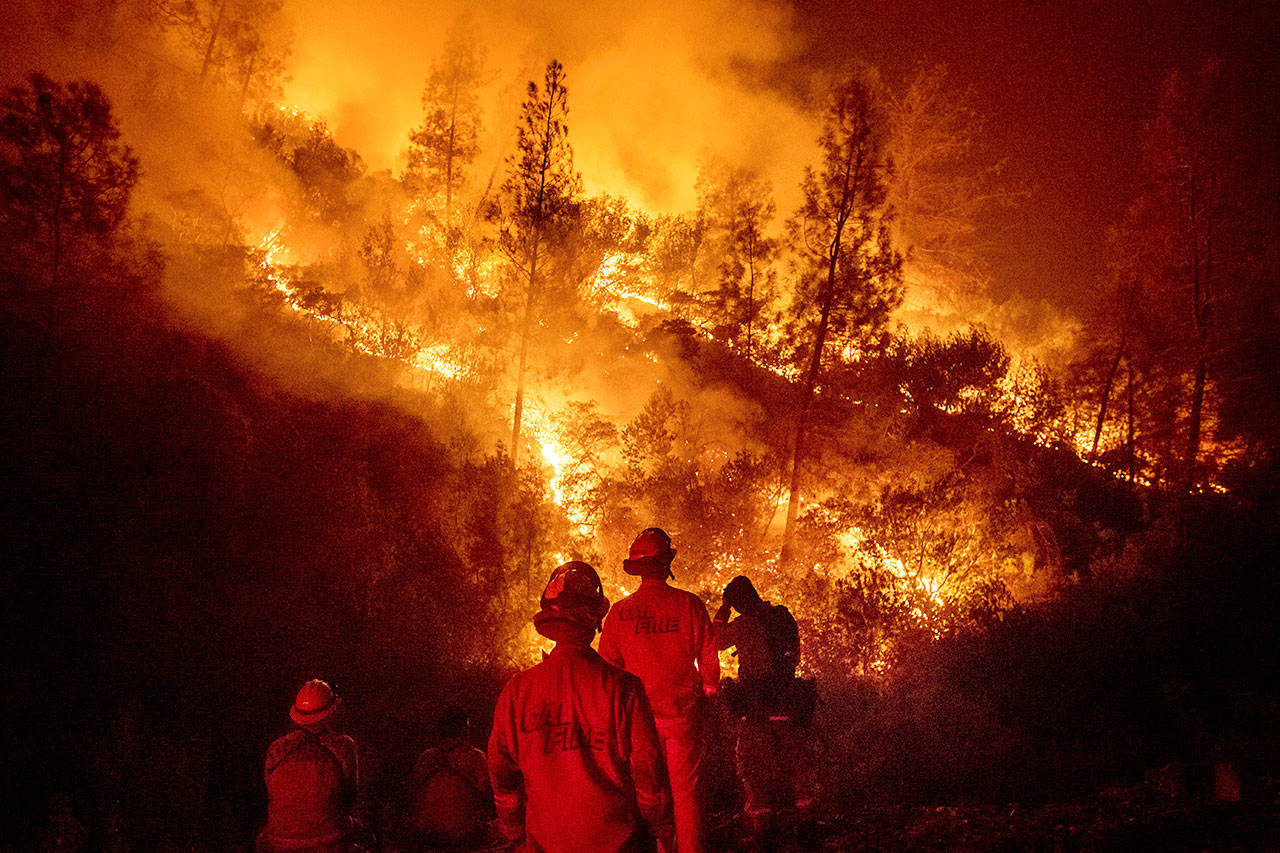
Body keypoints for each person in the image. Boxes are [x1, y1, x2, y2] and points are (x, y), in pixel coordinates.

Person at [488, 561, 674, 852]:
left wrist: (514, 831)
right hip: (618, 844)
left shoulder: (517, 692)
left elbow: (501, 773)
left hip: (546, 845)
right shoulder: (624, 688)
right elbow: (648, 770)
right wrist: (660, 827)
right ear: (596, 620)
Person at [600, 528, 719, 853]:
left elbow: (606, 670)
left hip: (638, 726)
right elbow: (709, 659)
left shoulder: (620, 614)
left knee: (646, 797)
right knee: (686, 797)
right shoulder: (689, 605)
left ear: (637, 570)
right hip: (682, 719)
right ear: (667, 564)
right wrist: (708, 695)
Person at [713, 576, 816, 835]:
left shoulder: (744, 624)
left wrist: (722, 611)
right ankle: (806, 817)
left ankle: (762, 823)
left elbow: (712, 641)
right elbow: (795, 655)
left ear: (737, 603)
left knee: (753, 763)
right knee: (797, 761)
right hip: (788, 698)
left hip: (756, 703)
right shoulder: (783, 616)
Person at [258, 678, 361, 853]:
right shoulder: (343, 746)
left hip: (279, 842)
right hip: (330, 842)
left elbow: (269, 790)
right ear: (331, 712)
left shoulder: (277, 749)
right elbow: (350, 795)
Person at [402, 706, 493, 850]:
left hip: (427, 834)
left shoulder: (427, 757)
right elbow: (485, 794)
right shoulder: (475, 757)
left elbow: (410, 793)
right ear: (464, 729)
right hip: (462, 836)